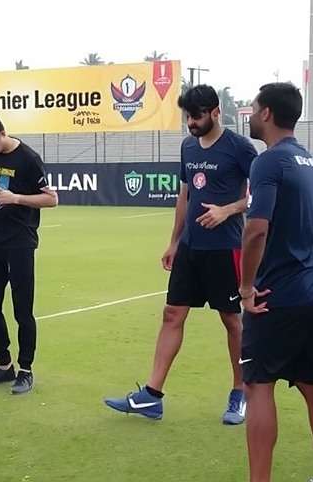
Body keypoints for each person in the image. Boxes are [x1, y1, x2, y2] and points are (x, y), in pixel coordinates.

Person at [103, 85, 256, 424]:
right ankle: (152, 396)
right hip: (191, 247)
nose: (191, 122)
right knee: (172, 314)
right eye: (187, 116)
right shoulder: (188, 146)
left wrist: (228, 210)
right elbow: (184, 196)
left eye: (197, 115)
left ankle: (241, 392)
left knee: (232, 320)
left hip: (226, 247)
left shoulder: (240, 147)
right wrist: (174, 241)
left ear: (216, 112)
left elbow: (261, 193)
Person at [239, 82, 313, 482]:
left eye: (252, 107)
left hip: (274, 296)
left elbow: (255, 230)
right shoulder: (309, 162)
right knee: (312, 386)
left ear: (266, 113)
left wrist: (246, 288)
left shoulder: (268, 161)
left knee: (259, 385)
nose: (248, 114)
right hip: (311, 290)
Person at [0, 113, 58, 395]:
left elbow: (52, 198)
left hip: (21, 242)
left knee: (22, 309)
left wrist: (17, 198)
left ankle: (26, 370)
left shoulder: (28, 158)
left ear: (2, 133)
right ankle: (4, 366)